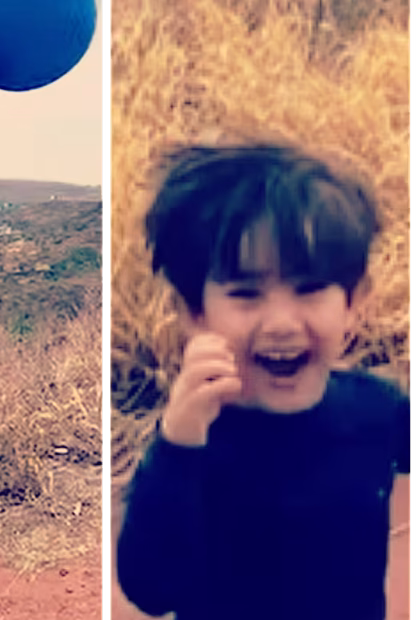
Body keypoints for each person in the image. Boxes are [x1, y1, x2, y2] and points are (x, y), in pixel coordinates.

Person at [116, 143, 411, 620]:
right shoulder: (192, 444)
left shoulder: (380, 409)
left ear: (355, 302)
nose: (281, 322)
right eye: (246, 293)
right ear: (196, 312)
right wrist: (177, 443)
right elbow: (150, 587)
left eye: (309, 288)